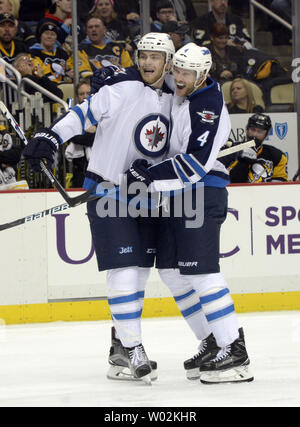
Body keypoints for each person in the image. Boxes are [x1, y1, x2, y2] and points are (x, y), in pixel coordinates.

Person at [22, 32, 175, 384]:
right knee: (122, 268)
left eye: (156, 57)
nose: (148, 62)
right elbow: (82, 114)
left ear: (168, 62)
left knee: (137, 272)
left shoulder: (175, 97)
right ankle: (134, 347)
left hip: (148, 195)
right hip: (107, 190)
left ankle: (119, 350)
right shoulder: (120, 87)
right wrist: (51, 137)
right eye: (143, 55)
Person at [127, 42, 254, 384]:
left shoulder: (207, 106)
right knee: (170, 269)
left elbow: (196, 164)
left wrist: (150, 176)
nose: (178, 78)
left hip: (202, 191)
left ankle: (235, 350)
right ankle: (212, 340)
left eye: (186, 73)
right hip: (179, 194)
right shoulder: (183, 86)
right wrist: (119, 73)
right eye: (177, 70)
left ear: (203, 75)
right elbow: (152, 75)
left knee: (202, 272)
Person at [227, 113, 288, 183]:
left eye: (260, 132)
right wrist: (243, 163)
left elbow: (281, 185)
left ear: (266, 134)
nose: (255, 134)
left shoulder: (277, 156)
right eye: (252, 130)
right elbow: (228, 183)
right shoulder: (231, 150)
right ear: (247, 129)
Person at [65, 79, 96, 188]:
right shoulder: (72, 115)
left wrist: (82, 131)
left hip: (100, 171)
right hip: (80, 172)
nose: (85, 96)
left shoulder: (102, 113)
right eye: (81, 94)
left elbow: (103, 137)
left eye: (88, 93)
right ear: (77, 97)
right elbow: (74, 137)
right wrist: (93, 132)